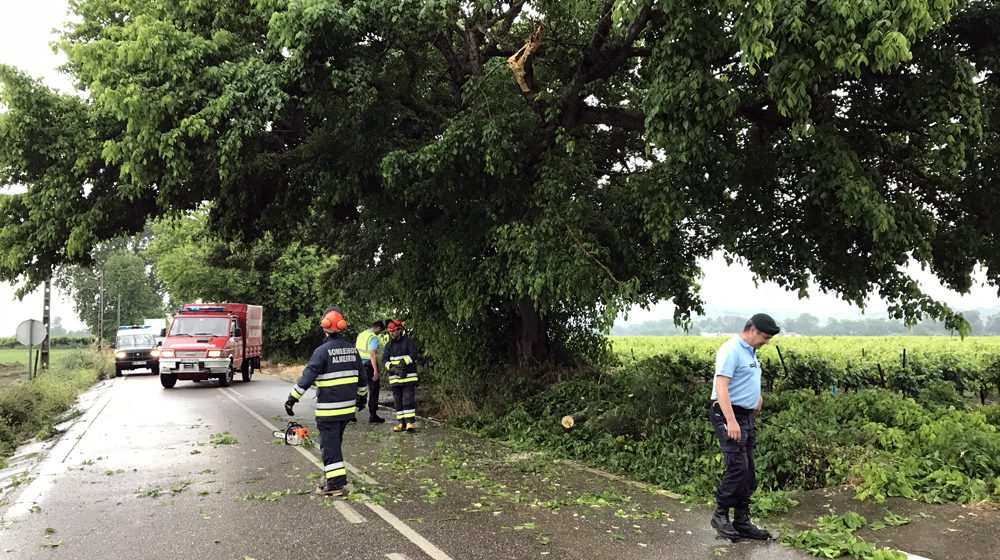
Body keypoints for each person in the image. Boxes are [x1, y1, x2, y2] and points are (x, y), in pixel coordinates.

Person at [708, 313, 779, 541]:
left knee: (748, 472)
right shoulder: (731, 349)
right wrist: (730, 420)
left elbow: (745, 379)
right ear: (752, 329)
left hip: (745, 415)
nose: (767, 341)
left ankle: (742, 520)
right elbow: (721, 386)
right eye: (765, 337)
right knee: (738, 467)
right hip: (729, 414)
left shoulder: (750, 352)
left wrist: (756, 400)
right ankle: (720, 515)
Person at [283, 306, 362, 497]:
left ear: (324, 327)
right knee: (334, 444)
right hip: (347, 410)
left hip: (329, 411)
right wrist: (362, 399)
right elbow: (363, 379)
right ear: (342, 327)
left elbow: (307, 378)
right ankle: (331, 477)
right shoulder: (353, 350)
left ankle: (335, 485)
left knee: (329, 446)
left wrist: (292, 399)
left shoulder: (321, 351)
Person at [382, 319, 419, 432]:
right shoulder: (388, 346)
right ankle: (401, 423)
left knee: (408, 401)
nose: (391, 333)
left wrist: (403, 362)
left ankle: (409, 423)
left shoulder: (408, 342)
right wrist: (393, 369)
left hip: (409, 378)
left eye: (393, 331)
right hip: (395, 379)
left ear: (399, 330)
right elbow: (384, 360)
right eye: (390, 331)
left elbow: (413, 355)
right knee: (398, 402)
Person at [355, 320, 386, 423]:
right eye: (380, 331)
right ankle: (373, 415)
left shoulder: (361, 334)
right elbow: (372, 354)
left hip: (358, 365)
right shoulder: (373, 337)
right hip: (368, 366)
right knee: (374, 388)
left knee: (357, 388)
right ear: (378, 328)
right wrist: (375, 371)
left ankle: (350, 413)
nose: (380, 333)